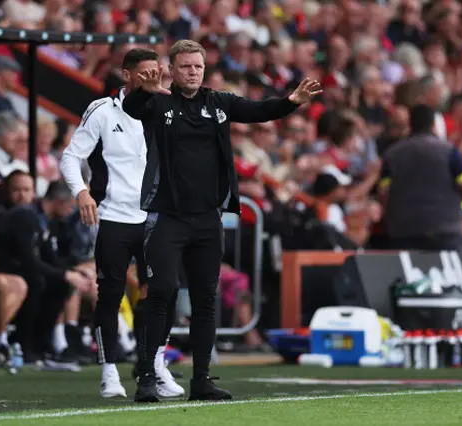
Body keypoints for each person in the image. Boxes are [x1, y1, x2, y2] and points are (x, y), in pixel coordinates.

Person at [122, 39, 322, 403]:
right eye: (185, 66)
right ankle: (147, 376)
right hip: (167, 217)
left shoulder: (219, 102)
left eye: (197, 66)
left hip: (207, 219)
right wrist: (142, 90)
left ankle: (201, 379)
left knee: (205, 298)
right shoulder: (158, 101)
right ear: (172, 69)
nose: (193, 72)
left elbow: (259, 110)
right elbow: (133, 109)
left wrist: (291, 102)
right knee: (161, 291)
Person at [60, 48, 185, 399]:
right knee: (111, 295)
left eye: (156, 73)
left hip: (156, 218)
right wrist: (82, 192)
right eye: (145, 73)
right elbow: (71, 157)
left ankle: (156, 364)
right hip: (114, 216)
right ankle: (109, 371)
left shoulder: (167, 108)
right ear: (127, 76)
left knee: (165, 291)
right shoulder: (102, 111)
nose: (153, 79)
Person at [0, 171, 91, 364]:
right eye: (71, 205)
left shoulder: (45, 220)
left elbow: (50, 257)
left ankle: (44, 345)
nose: (72, 210)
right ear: (60, 201)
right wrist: (66, 274)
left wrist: (72, 273)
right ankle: (25, 344)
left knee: (60, 284)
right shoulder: (26, 216)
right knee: (38, 282)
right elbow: (28, 260)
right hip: (1, 269)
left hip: (20, 268)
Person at [379, 104, 462, 251]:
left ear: (410, 124)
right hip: (445, 229)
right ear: (433, 124)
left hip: (405, 230)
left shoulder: (392, 154)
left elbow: (383, 192)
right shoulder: (449, 151)